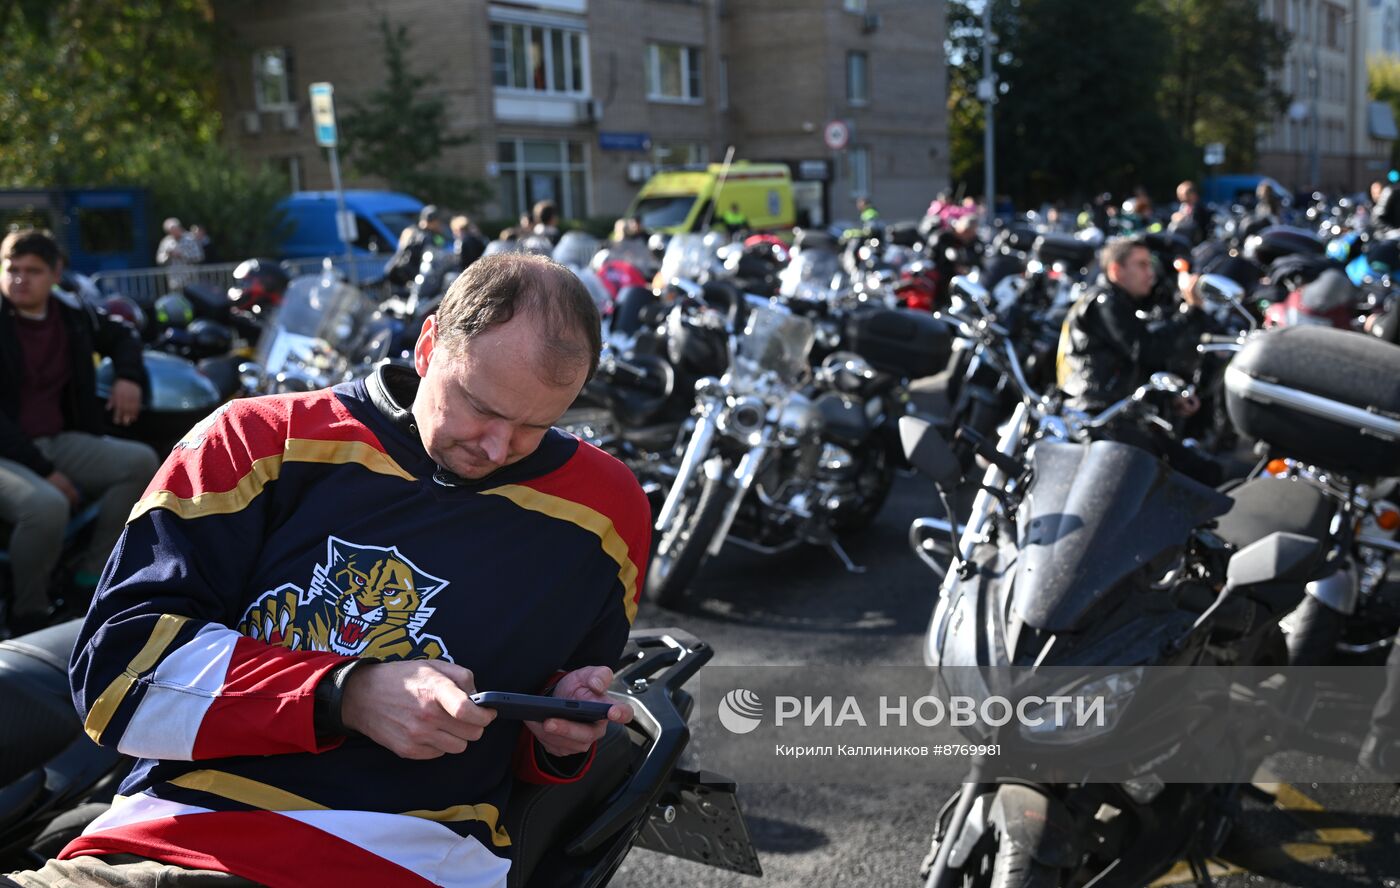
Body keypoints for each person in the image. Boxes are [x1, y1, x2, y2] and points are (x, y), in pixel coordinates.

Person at [4, 254, 651, 887]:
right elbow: (116, 676)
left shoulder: (606, 513)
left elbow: (541, 745)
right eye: (480, 406)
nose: (496, 447)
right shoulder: (255, 441)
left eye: (535, 426)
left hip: (412, 860)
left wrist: (561, 733)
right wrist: (348, 695)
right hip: (171, 840)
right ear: (428, 345)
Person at [0, 230, 158, 636]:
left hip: (56, 439)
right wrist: (45, 470)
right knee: (46, 506)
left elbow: (123, 334)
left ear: (56, 273)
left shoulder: (72, 313)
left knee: (141, 461)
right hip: (8, 451)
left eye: (32, 271)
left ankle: (88, 581)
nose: (19, 279)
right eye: (11, 269)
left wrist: (128, 376)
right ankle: (28, 616)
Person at [1055, 237, 1221, 484]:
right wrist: (1191, 311)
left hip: (1118, 414)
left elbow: (1134, 364)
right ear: (1116, 270)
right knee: (1183, 478)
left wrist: (1170, 396)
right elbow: (1145, 349)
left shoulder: (1121, 303)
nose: (1150, 272)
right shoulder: (1104, 302)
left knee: (1202, 471)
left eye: (1150, 265)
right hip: (1102, 418)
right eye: (1141, 265)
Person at [386, 205, 450, 287]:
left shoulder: (409, 231)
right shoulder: (427, 236)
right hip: (412, 277)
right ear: (434, 221)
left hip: (401, 273)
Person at [155, 218, 204, 289]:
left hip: (191, 279)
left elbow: (199, 256)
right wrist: (168, 255)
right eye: (171, 231)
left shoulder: (190, 239)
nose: (174, 232)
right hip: (174, 280)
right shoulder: (166, 242)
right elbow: (159, 259)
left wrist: (182, 255)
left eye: (175, 229)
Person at [1169, 180, 1212, 246]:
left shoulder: (1199, 209)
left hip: (1196, 244)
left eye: (1182, 194)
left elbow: (1195, 226)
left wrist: (1181, 219)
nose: (1180, 197)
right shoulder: (1184, 206)